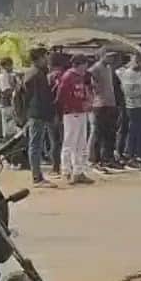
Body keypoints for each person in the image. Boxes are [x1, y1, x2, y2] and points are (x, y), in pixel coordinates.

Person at [19, 47, 58, 189]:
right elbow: (37, 98)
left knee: (36, 144)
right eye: (45, 57)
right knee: (35, 145)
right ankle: (37, 178)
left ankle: (38, 176)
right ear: (39, 58)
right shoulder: (35, 74)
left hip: (36, 113)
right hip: (37, 114)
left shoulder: (35, 73)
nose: (46, 59)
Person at [54, 54, 95, 185]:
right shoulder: (68, 76)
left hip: (81, 112)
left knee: (81, 143)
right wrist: (71, 107)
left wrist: (86, 102)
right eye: (85, 64)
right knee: (70, 142)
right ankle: (66, 171)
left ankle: (78, 171)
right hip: (71, 113)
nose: (86, 67)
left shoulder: (80, 76)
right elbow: (61, 96)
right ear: (80, 64)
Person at [119, 52, 141, 170]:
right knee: (135, 133)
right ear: (139, 62)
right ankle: (131, 157)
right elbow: (129, 93)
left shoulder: (139, 74)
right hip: (134, 108)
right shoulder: (128, 74)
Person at [88, 50, 120, 170]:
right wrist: (95, 91)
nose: (111, 59)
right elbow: (89, 83)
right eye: (108, 56)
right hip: (99, 105)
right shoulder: (95, 69)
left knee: (110, 134)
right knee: (98, 133)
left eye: (112, 57)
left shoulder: (109, 68)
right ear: (101, 56)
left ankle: (108, 158)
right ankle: (95, 159)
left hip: (110, 103)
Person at [0, 57, 19, 140]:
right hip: (6, 104)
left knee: (11, 125)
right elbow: (6, 91)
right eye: (9, 65)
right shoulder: (3, 77)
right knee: (8, 126)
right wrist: (15, 87)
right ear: (5, 66)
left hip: (10, 103)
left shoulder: (9, 75)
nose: (11, 67)